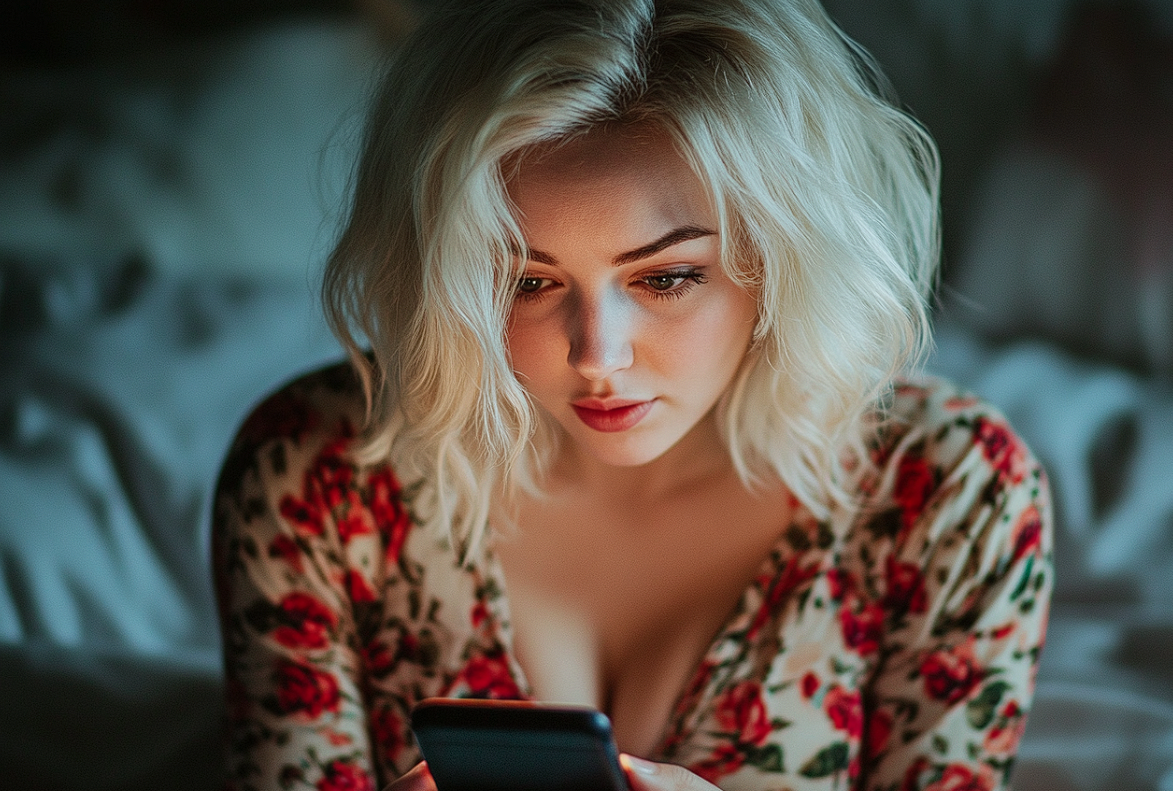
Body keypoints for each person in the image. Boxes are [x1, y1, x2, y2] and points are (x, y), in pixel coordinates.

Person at [211, 1, 1053, 790]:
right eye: (526, 281)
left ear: (785, 257)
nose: (597, 355)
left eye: (667, 276)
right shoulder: (318, 476)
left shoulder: (949, 495)